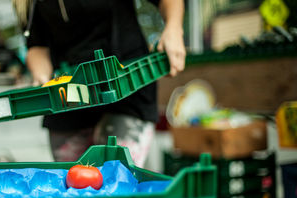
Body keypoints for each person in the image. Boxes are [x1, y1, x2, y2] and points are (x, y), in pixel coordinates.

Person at [13, 0, 186, 167]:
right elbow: (37, 46)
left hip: (125, 87)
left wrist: (173, 28)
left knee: (116, 179)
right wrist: (43, 77)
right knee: (73, 187)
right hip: (68, 99)